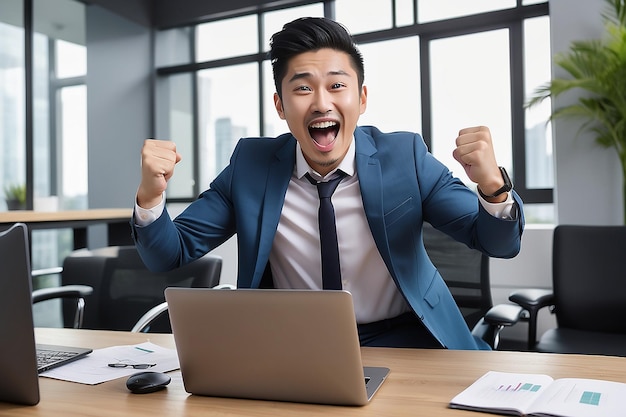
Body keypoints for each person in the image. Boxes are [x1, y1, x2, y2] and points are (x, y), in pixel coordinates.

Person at [131, 17, 524, 350]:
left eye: (337, 85)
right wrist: (151, 196)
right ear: (281, 105)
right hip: (296, 346)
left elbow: (497, 242)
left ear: (362, 97)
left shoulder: (406, 157)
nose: (321, 103)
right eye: (303, 87)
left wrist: (493, 186)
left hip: (407, 337)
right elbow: (171, 253)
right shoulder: (251, 166)